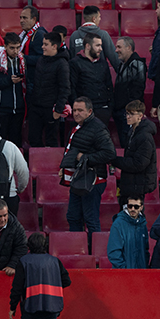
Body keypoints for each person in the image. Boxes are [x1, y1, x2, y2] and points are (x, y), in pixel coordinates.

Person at [9, 232, 71, 319]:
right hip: (51, 306)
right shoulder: (55, 261)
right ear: (45, 245)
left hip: (31, 306)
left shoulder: (24, 261)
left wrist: (12, 307)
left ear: (29, 245)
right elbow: (67, 281)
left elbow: (17, 287)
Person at [60, 97, 116, 234]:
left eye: (80, 110)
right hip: (78, 179)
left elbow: (110, 154)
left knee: (90, 219)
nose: (76, 113)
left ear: (89, 111)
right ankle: (77, 246)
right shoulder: (77, 126)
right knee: (73, 217)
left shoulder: (98, 128)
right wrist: (64, 167)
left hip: (93, 180)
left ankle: (94, 247)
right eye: (74, 110)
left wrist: (84, 158)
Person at [27, 32, 70, 148]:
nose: (42, 47)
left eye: (46, 44)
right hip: (36, 107)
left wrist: (58, 110)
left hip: (51, 110)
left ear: (54, 46)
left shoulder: (62, 64)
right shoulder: (41, 60)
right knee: (34, 140)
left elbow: (65, 89)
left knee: (51, 141)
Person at [111, 101, 157, 203]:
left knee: (133, 211)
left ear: (140, 116)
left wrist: (115, 161)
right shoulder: (133, 132)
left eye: (131, 114)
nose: (128, 117)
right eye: (127, 113)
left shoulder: (144, 136)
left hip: (138, 184)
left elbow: (138, 164)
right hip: (132, 182)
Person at [69, 33, 114, 128]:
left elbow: (109, 85)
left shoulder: (103, 63)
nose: (101, 49)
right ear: (88, 46)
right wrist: (77, 109)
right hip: (84, 110)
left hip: (102, 109)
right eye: (97, 45)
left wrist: (109, 107)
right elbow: (72, 88)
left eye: (101, 45)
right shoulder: (75, 63)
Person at [113, 37, 146, 148]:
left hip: (128, 112)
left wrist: (131, 112)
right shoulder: (123, 64)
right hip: (121, 111)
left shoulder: (137, 63)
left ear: (129, 48)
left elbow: (138, 89)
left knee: (129, 146)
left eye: (119, 47)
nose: (116, 50)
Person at [67, 6, 121, 71]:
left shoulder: (74, 35)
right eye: (99, 17)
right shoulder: (103, 35)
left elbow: (72, 59)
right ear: (94, 19)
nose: (100, 19)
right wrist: (122, 73)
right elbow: (114, 58)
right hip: (99, 74)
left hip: (79, 75)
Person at [107, 195, 150, 269]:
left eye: (136, 207)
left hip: (141, 271)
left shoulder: (142, 224)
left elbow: (145, 250)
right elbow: (113, 251)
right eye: (130, 206)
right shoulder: (118, 224)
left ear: (141, 207)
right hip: (124, 272)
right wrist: (123, 269)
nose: (133, 209)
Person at [19, 6, 45, 92]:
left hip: (35, 81)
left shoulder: (39, 35)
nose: (21, 21)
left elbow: (42, 58)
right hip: (28, 79)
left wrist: (23, 57)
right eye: (20, 18)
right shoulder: (24, 34)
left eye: (25, 18)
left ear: (33, 19)